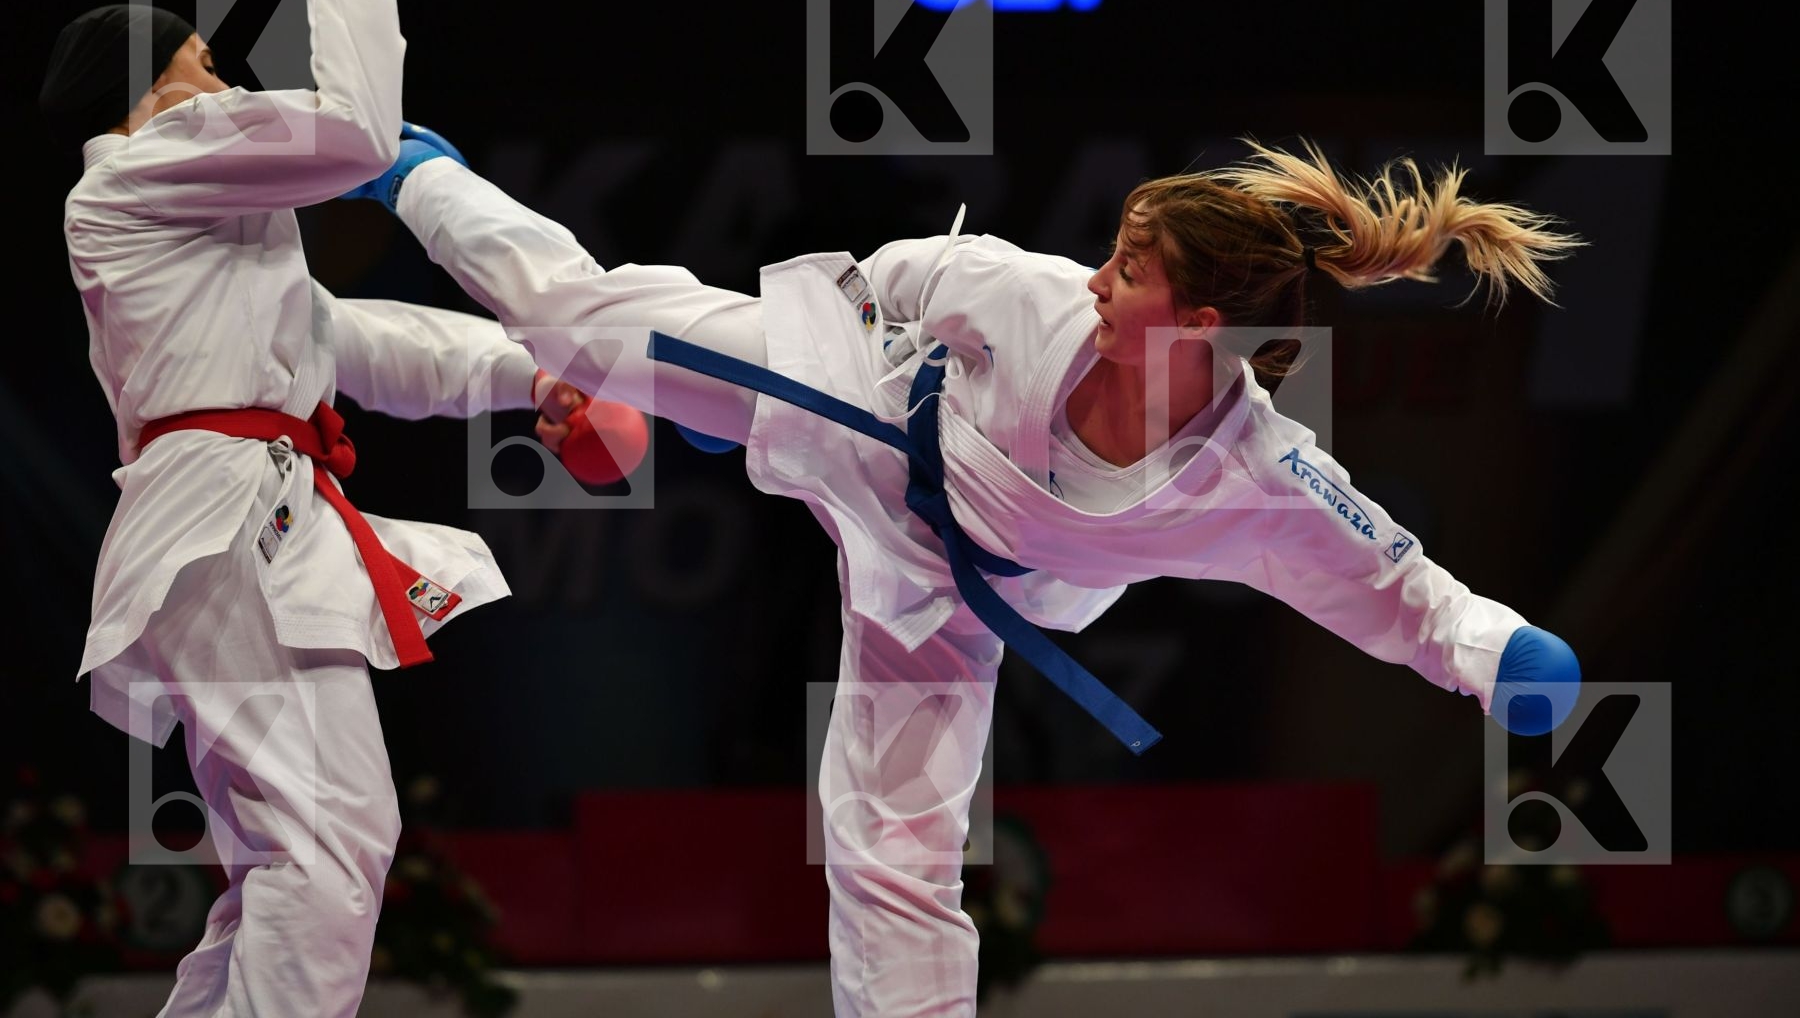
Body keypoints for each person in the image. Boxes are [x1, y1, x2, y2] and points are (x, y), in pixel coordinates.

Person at [367, 130, 1585, 1015]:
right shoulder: (1023, 291)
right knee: (594, 325)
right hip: (868, 409)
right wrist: (768, 379)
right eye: (1111, 253)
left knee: (895, 841)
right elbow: (882, 286)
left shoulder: (1256, 476)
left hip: (950, 590)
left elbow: (1397, 583)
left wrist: (1503, 663)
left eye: (1129, 267)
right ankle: (418, 168)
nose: (1098, 276)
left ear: (1201, 323)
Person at [38, 0, 588, 1015]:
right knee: (333, 837)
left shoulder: (196, 233)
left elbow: (352, 342)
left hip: (230, 524)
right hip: (229, 525)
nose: (226, 88)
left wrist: (533, 374)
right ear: (141, 96)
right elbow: (356, 135)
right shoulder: (141, 164)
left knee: (285, 864)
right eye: (200, 64)